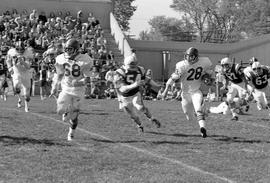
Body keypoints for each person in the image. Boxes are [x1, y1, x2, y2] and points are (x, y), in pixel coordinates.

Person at [161, 47, 214, 138]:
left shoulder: (204, 62)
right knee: (189, 117)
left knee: (198, 110)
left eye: (190, 56)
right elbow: (173, 79)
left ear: (196, 57)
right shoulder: (182, 65)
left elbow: (210, 74)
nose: (188, 58)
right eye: (187, 56)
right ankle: (202, 112)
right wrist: (165, 90)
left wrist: (209, 80)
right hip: (185, 94)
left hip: (196, 91)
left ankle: (203, 129)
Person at [50, 38, 93, 141]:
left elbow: (88, 79)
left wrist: (79, 82)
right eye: (66, 49)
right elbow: (59, 74)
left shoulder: (86, 60)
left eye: (70, 49)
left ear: (76, 50)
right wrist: (55, 86)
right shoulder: (61, 58)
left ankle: (71, 133)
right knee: (60, 111)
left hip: (79, 90)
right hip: (66, 87)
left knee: (74, 117)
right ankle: (66, 111)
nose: (67, 52)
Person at [113, 54, 161, 132]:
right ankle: (140, 126)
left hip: (135, 93)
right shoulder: (120, 72)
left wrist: (156, 85)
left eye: (134, 66)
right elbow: (122, 89)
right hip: (124, 96)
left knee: (140, 107)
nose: (133, 68)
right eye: (131, 66)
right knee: (133, 115)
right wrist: (134, 85)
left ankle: (152, 119)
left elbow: (147, 79)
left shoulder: (140, 69)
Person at [6, 41, 34, 112]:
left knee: (27, 94)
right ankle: (19, 99)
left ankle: (26, 106)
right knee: (16, 86)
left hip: (26, 72)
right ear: (15, 48)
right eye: (18, 49)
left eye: (21, 49)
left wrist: (23, 62)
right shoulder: (11, 52)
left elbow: (28, 66)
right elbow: (8, 60)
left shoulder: (28, 52)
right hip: (16, 71)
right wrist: (9, 68)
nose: (20, 51)